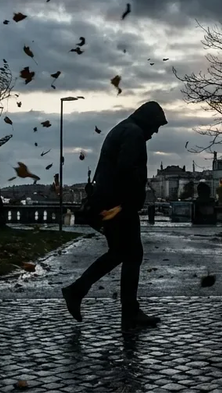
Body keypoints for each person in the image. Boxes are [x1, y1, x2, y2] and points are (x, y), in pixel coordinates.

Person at [62, 100, 167, 330]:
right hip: (119, 205)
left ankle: (79, 291)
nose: (155, 132)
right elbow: (126, 170)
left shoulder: (124, 129)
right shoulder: (134, 134)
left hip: (111, 203)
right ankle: (125, 310)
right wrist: (130, 200)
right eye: (156, 126)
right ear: (148, 121)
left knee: (122, 253)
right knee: (131, 254)